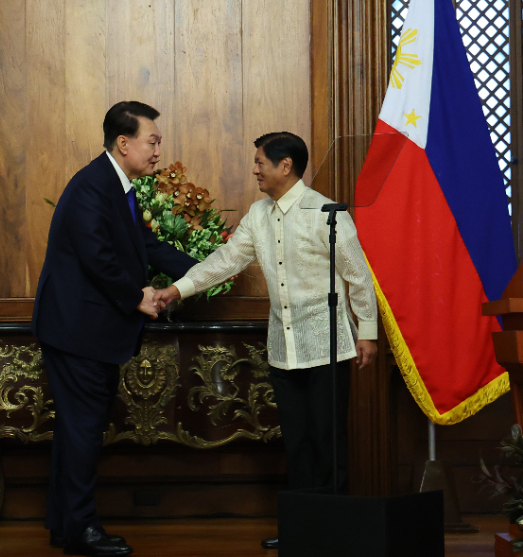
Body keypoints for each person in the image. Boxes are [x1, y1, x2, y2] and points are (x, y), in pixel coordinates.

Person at [154, 132, 378, 550]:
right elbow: (224, 261)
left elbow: (358, 275)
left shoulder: (325, 212)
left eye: (260, 162)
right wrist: (177, 290)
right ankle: (303, 528)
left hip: (327, 343)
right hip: (283, 348)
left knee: (328, 440)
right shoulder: (258, 214)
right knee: (296, 441)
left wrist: (367, 332)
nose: (254, 169)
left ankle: (335, 530)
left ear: (286, 166)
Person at [32, 101, 197, 557]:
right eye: (153, 140)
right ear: (123, 143)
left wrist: (203, 273)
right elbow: (96, 256)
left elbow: (145, 244)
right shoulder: (91, 186)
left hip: (83, 330)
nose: (158, 150)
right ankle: (82, 530)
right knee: (83, 432)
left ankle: (66, 526)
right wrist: (136, 297)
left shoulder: (116, 185)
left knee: (76, 432)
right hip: (77, 331)